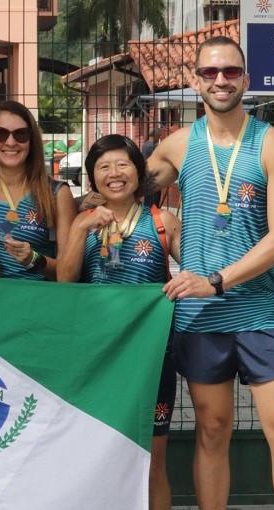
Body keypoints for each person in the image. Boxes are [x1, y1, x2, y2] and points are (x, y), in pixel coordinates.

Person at [148, 36, 274, 509]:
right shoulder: (175, 147)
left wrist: (216, 280)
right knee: (212, 431)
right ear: (194, 81)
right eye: (211, 72)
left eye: (231, 72)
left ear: (247, 79)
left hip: (260, 310)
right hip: (201, 317)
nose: (221, 80)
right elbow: (121, 185)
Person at [57, 134, 180, 510]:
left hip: (152, 360)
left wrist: (258, 273)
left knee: (153, 460)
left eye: (123, 164)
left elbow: (201, 271)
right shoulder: (82, 222)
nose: (114, 174)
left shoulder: (164, 222)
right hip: (98, 361)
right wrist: (81, 227)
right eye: (103, 167)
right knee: (98, 456)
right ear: (92, 178)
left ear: (138, 171)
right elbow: (64, 280)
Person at [0, 100, 77, 280]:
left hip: (37, 303)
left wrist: (35, 259)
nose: (10, 142)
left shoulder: (56, 194)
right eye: (0, 134)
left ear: (31, 142)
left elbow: (69, 271)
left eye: (21, 134)